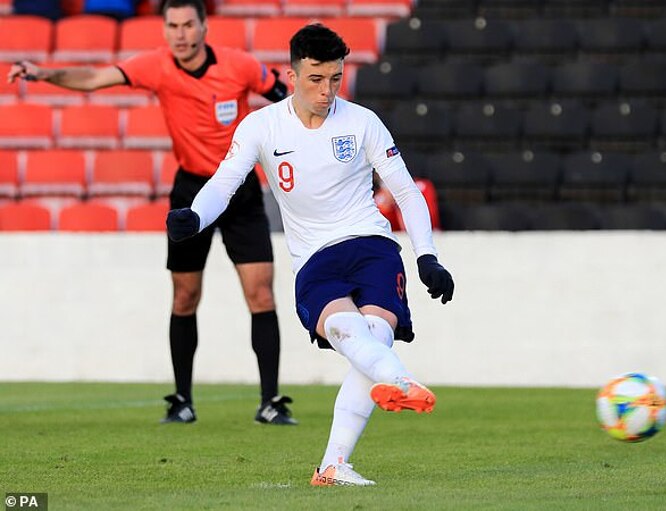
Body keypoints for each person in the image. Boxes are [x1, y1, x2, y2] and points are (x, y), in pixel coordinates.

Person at [166, 23, 455, 486]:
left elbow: (405, 190)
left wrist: (427, 256)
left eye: (335, 78)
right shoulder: (262, 126)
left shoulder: (362, 122)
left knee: (373, 336)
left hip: (372, 245)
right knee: (349, 331)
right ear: (292, 76)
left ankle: (335, 465)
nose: (327, 91)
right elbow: (224, 182)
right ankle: (395, 381)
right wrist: (196, 216)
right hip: (314, 257)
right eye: (316, 79)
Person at [7, 0, 297, 426]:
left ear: (204, 27)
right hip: (190, 190)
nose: (180, 34)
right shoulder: (155, 65)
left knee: (261, 294)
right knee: (184, 296)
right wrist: (44, 73)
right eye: (172, 26)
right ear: (164, 29)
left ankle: (270, 402)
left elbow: (288, 102)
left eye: (188, 25)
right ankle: (182, 401)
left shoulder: (240, 65)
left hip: (239, 190)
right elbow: (94, 79)